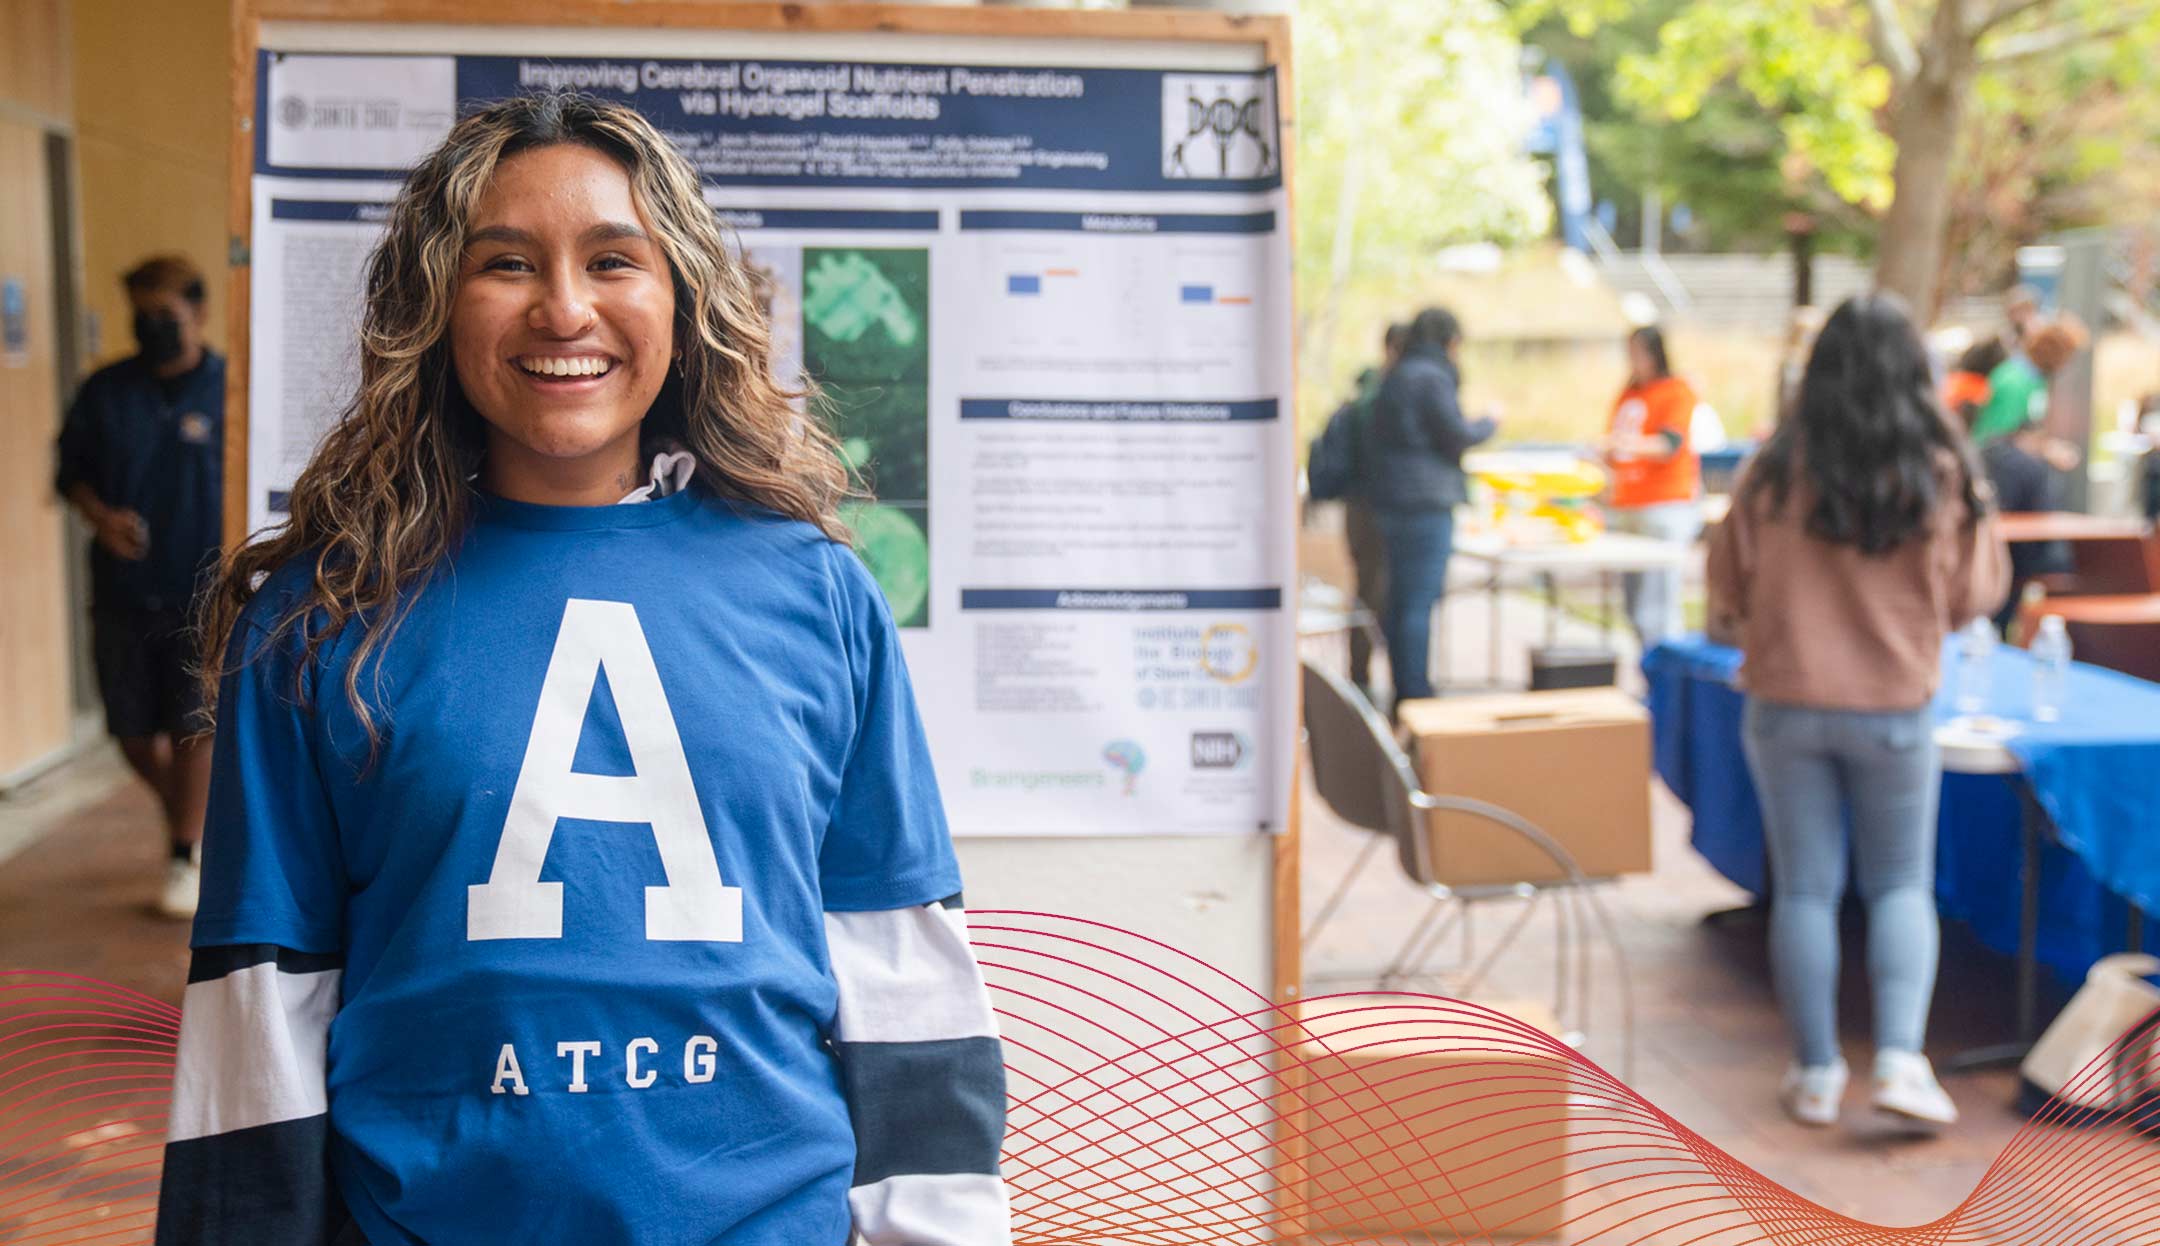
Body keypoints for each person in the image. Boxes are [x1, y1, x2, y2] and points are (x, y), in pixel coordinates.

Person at [155, 96, 1007, 1245]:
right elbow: (260, 1009)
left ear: (683, 299)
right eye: (505, 263)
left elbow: (901, 968)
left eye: (614, 259)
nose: (565, 307)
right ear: (437, 307)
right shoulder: (319, 621)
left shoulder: (818, 596)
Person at [1706, 293, 2008, 1130]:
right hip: (1893, 706)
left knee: (1804, 890)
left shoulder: (1770, 468)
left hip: (1783, 701)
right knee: (1899, 884)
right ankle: (1903, 1064)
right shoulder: (1941, 470)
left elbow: (1727, 586)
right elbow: (1974, 596)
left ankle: (1814, 1074)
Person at [52, 255, 225, 920]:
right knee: (129, 734)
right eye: (141, 316)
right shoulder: (105, 391)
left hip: (204, 592)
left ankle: (184, 851)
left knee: (191, 731)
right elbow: (70, 473)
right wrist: (101, 518)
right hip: (123, 590)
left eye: (166, 316)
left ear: (199, 312)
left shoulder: (227, 390)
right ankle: (196, 818)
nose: (152, 328)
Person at [1364, 307, 1498, 709]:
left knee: (1403, 601)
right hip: (1424, 504)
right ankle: (1416, 695)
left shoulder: (1396, 376)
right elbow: (1455, 433)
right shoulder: (1430, 377)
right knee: (1417, 603)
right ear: (1450, 341)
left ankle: (1406, 688)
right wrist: (1491, 423)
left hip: (1393, 501)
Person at [1603, 325, 1701, 649]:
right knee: (1634, 606)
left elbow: (1669, 443)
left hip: (1664, 503)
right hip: (1628, 504)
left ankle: (1665, 686)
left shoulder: (1676, 391)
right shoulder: (1628, 393)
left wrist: (1626, 443)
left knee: (1657, 608)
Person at [1343, 322, 1408, 699]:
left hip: (1361, 508)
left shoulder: (1368, 389)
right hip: (1373, 509)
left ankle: (1361, 676)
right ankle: (1361, 679)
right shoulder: (1381, 394)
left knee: (1368, 591)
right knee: (1373, 593)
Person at [1980, 413, 2072, 634]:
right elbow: (2044, 512)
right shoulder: (2032, 466)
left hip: (1988, 545)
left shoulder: (1984, 454)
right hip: (2023, 556)